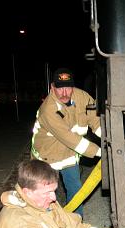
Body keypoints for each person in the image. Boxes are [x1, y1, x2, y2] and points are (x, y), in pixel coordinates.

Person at [31, 67, 102, 217]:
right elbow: (69, 138)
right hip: (46, 158)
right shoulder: (48, 109)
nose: (64, 93)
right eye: (60, 88)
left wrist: (109, 139)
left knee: (76, 190)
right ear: (52, 87)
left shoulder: (83, 97)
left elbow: (95, 120)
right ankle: (46, 225)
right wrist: (100, 151)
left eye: (68, 88)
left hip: (68, 154)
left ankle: (76, 223)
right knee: (45, 195)